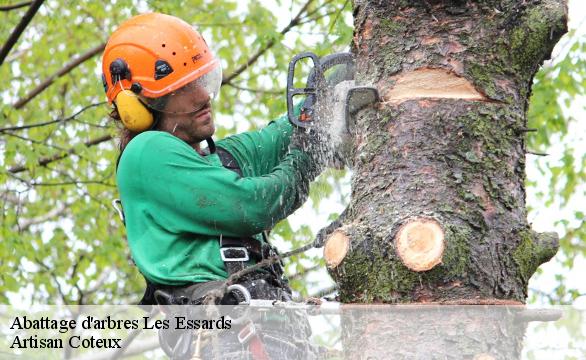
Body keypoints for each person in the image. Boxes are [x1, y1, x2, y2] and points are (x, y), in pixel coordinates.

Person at [102, 13, 326, 307]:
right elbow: (252, 205)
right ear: (140, 105)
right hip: (222, 335)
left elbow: (283, 133)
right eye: (184, 87)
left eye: (202, 80)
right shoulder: (146, 152)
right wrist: (304, 161)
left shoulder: (219, 160)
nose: (203, 95)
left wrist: (324, 98)